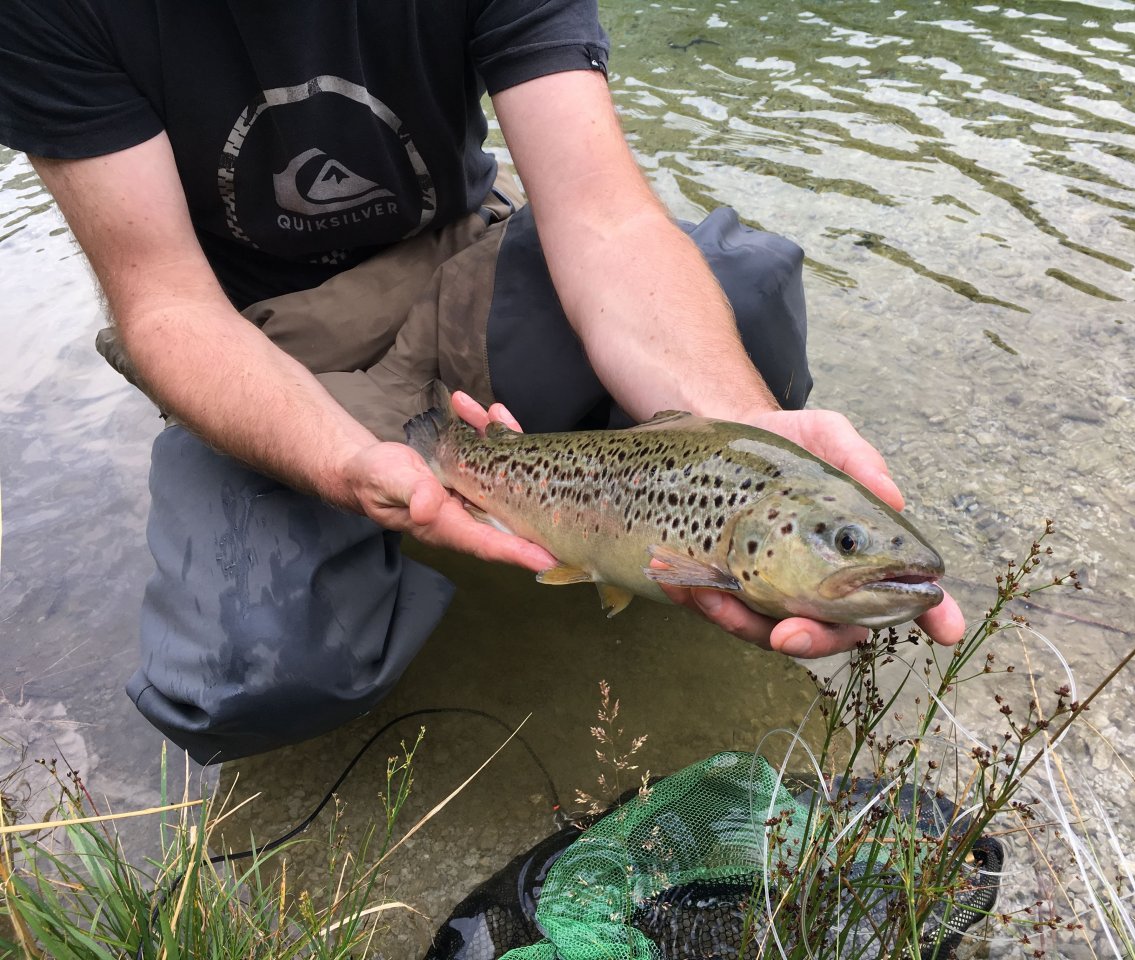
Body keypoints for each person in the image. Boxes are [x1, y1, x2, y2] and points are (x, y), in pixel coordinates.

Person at [0, 1, 964, 763]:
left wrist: (742, 429)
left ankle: (616, 540)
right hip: (261, 337)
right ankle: (432, 542)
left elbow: (603, 220)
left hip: (459, 266)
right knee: (240, 678)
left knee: (743, 283)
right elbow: (167, 307)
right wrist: (349, 466)